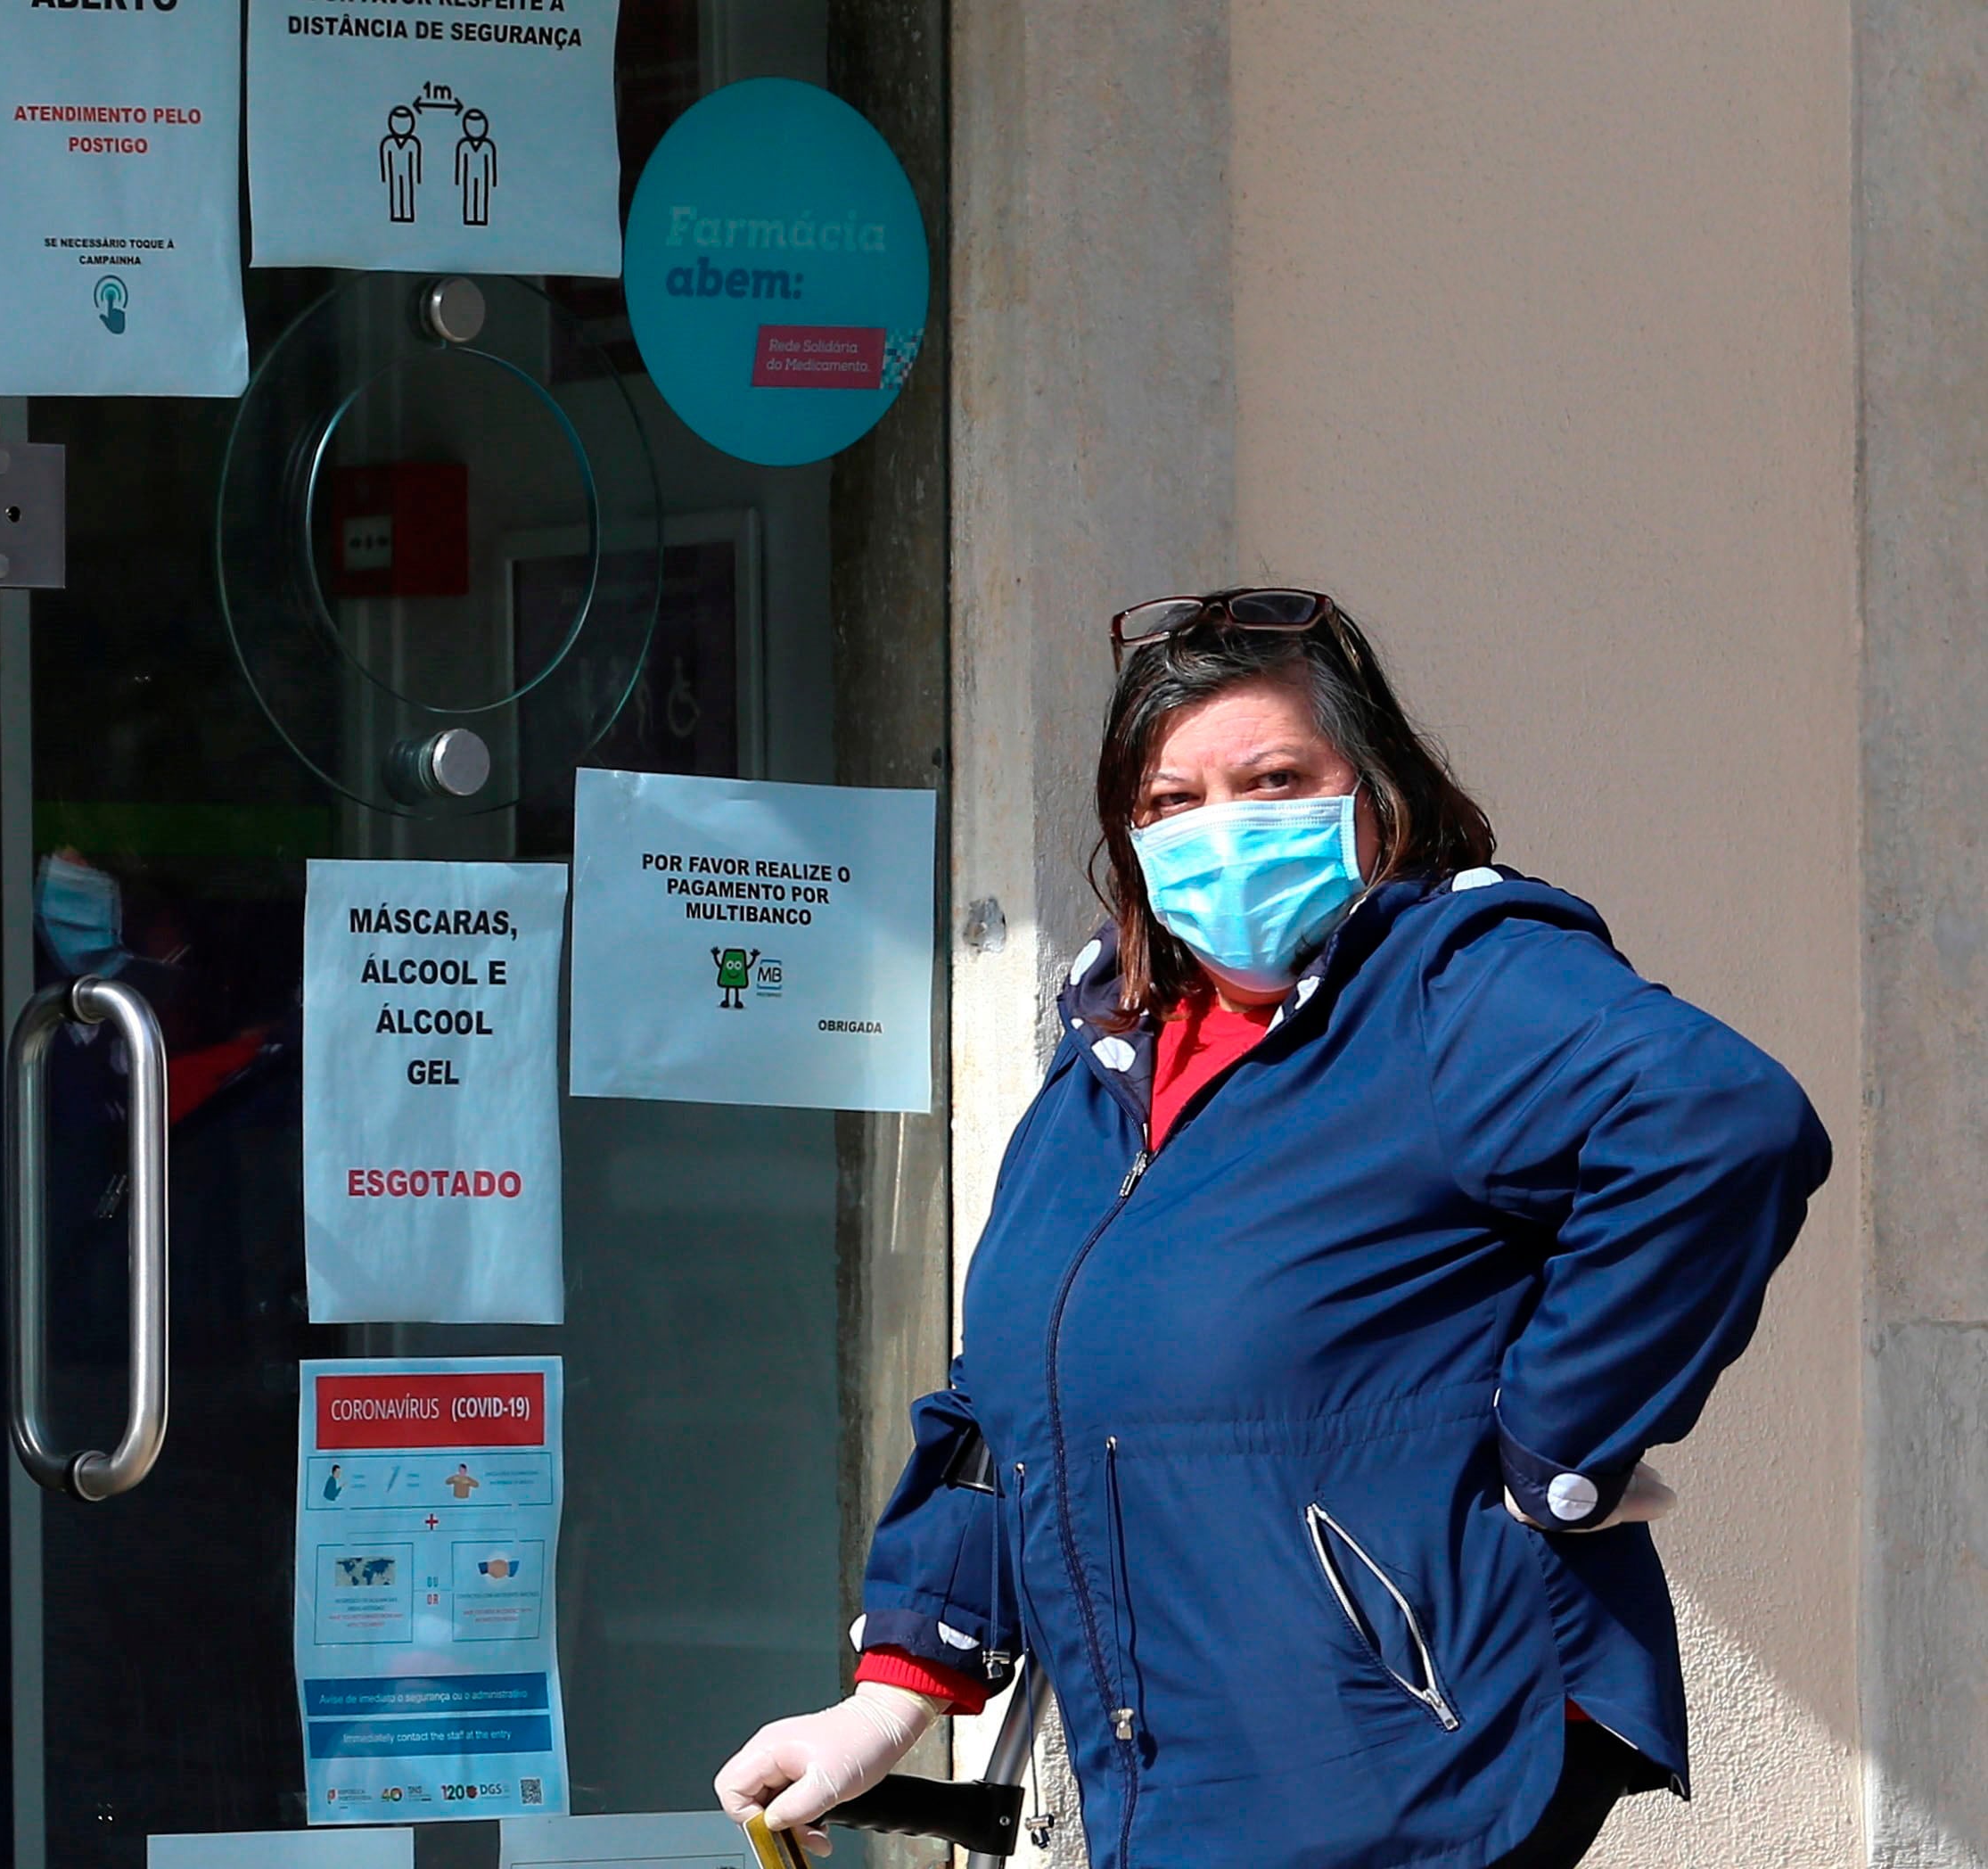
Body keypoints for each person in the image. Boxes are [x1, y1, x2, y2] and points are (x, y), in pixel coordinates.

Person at [713, 590, 1830, 1868]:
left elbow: (1718, 1118)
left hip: (1411, 1738)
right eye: (1172, 802)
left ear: (1373, 791)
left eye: (1275, 778)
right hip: (1192, 1755)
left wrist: (1560, 1445)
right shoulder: (1108, 1063)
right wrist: (892, 1695)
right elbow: (1002, 1411)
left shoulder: (1453, 983)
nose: (1222, 830)